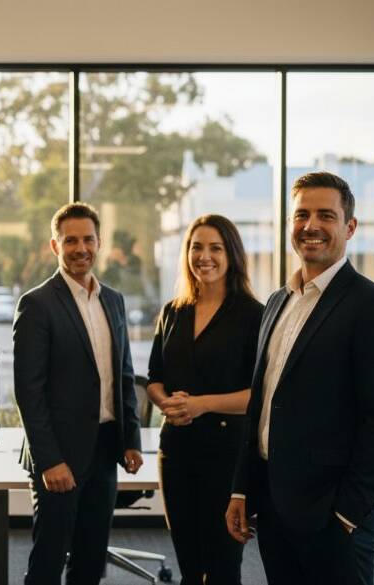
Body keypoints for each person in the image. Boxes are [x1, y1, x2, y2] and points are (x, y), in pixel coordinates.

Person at [225, 171, 374, 585]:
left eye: (325, 215)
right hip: (274, 507)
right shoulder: (276, 303)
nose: (311, 226)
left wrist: (347, 514)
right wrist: (242, 489)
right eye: (301, 215)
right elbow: (262, 405)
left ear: (349, 227)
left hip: (333, 516)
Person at [13, 202, 144, 585]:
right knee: (48, 560)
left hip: (105, 449)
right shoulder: (37, 304)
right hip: (59, 454)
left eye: (88, 239)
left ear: (99, 242)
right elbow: (28, 392)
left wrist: (130, 438)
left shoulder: (113, 300)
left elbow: (123, 374)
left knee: (90, 560)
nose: (80, 248)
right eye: (70, 240)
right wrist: (49, 460)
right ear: (55, 246)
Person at [146, 214, 263, 585]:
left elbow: (259, 397)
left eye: (215, 247)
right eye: (197, 247)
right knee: (189, 565)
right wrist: (168, 404)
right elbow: (153, 380)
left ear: (232, 255)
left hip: (228, 456)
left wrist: (201, 404)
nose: (204, 256)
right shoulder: (173, 312)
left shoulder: (253, 315)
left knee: (224, 566)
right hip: (177, 450)